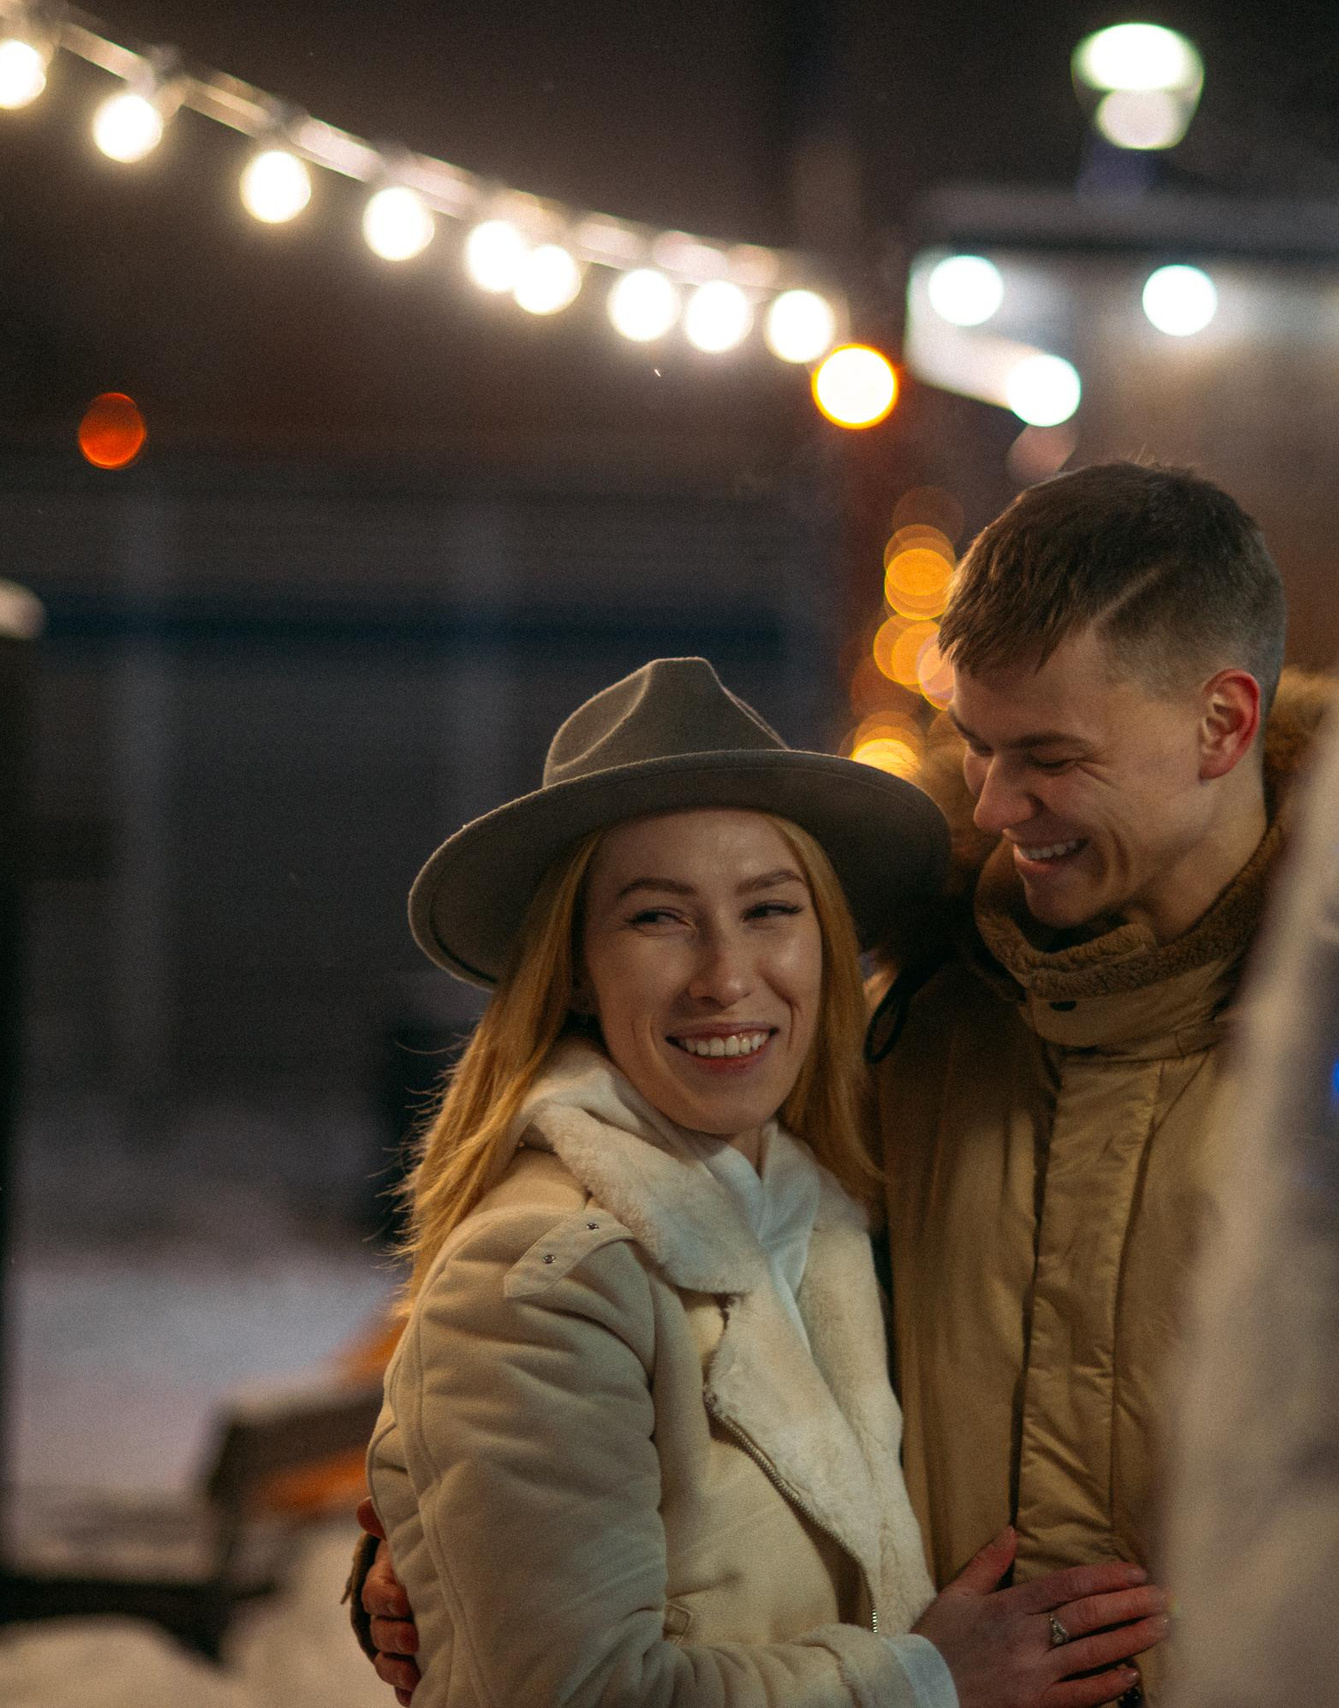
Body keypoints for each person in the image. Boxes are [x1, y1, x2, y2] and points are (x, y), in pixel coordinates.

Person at [363, 656, 1172, 1708]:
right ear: (570, 968)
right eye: (657, 916)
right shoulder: (550, 1270)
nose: (726, 976)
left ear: (826, 944)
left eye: (768, 909)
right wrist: (928, 1681)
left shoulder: (819, 1206)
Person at [869, 464, 1316, 1704]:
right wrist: (438, 1544)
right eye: (975, 745)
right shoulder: (916, 1027)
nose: (996, 801)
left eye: (1050, 757)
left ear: (1221, 725)